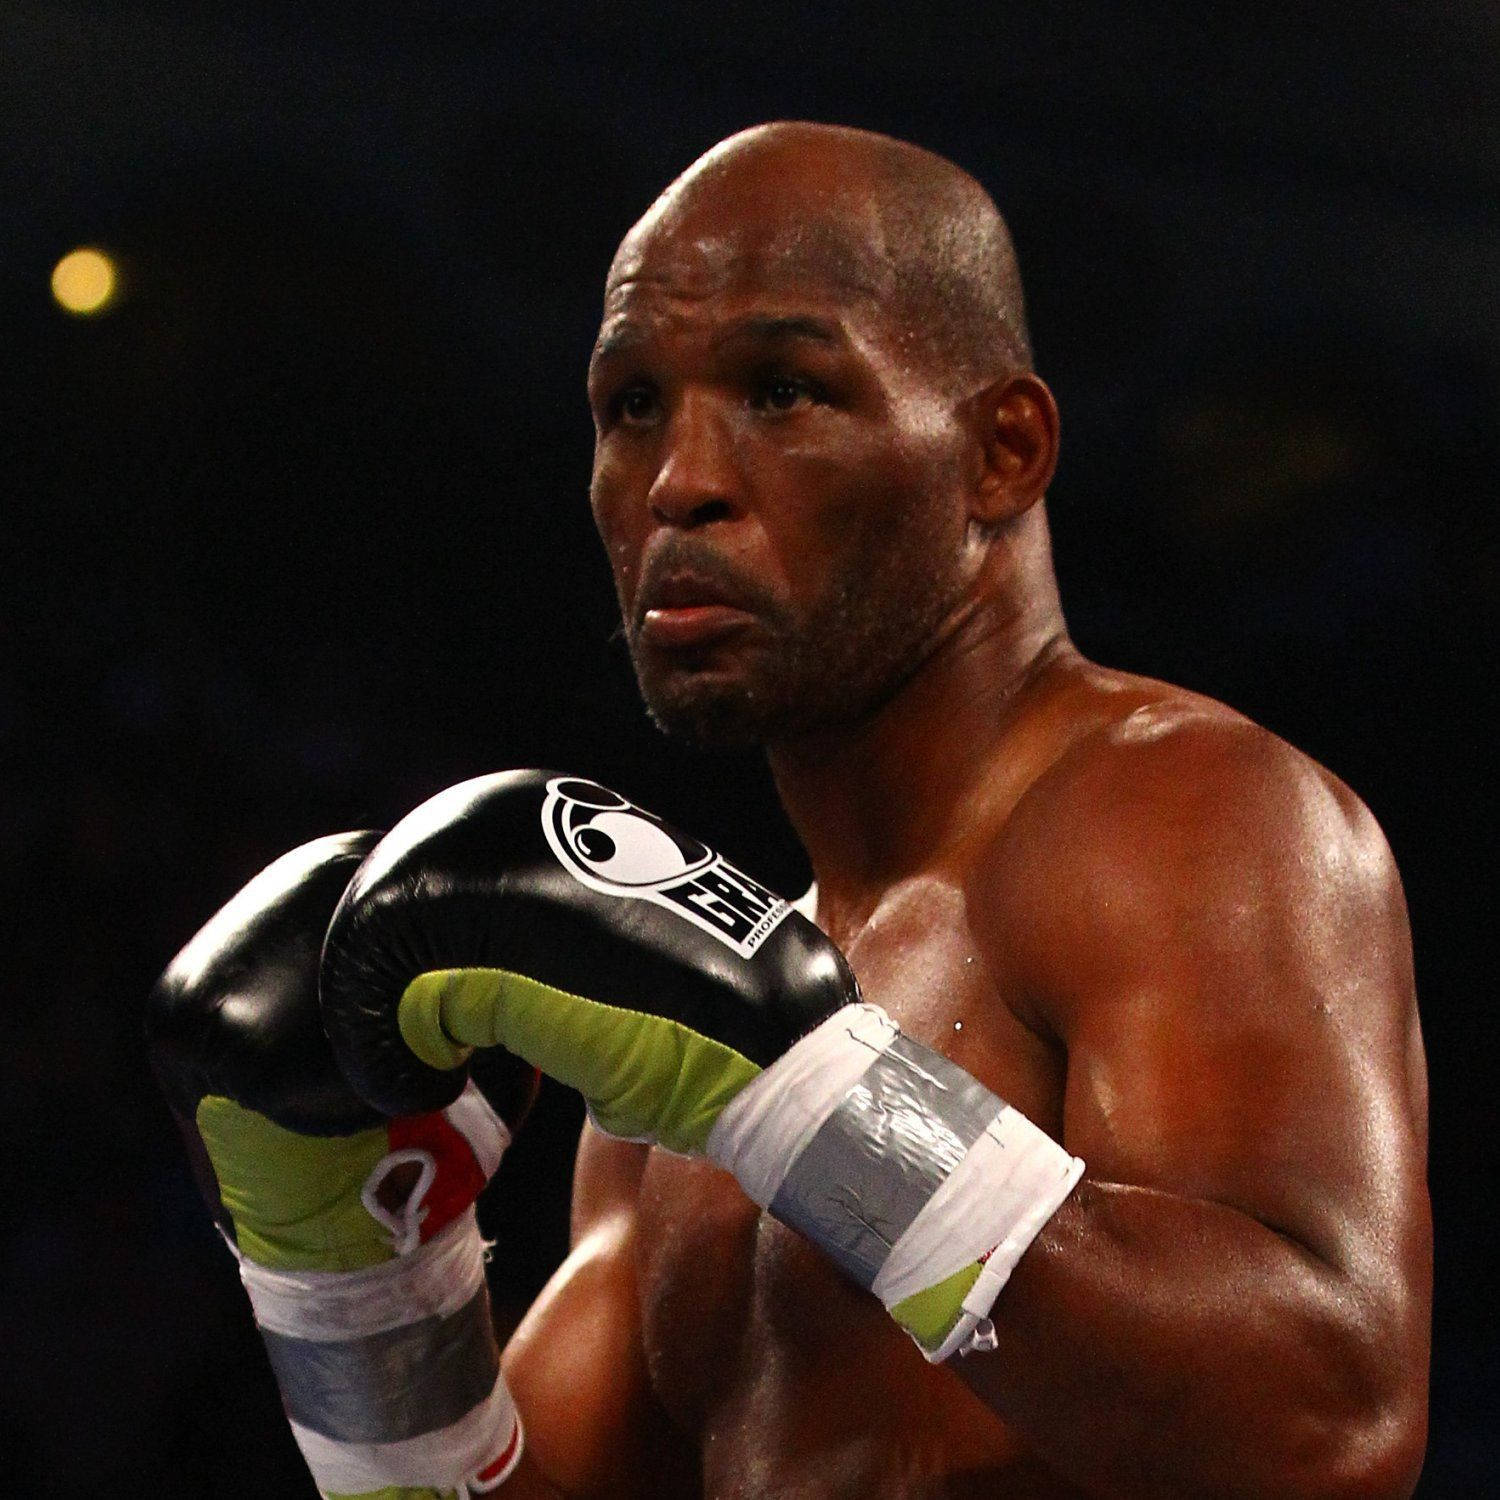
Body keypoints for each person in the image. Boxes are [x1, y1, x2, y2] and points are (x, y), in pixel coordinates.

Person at [154, 122, 1432, 1498]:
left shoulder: (1183, 821)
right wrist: (357, 1293)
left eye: (782, 390)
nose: (677, 482)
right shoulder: (684, 1027)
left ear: (1002, 452)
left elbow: (1325, 1432)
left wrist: (802, 1090)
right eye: (631, 403)